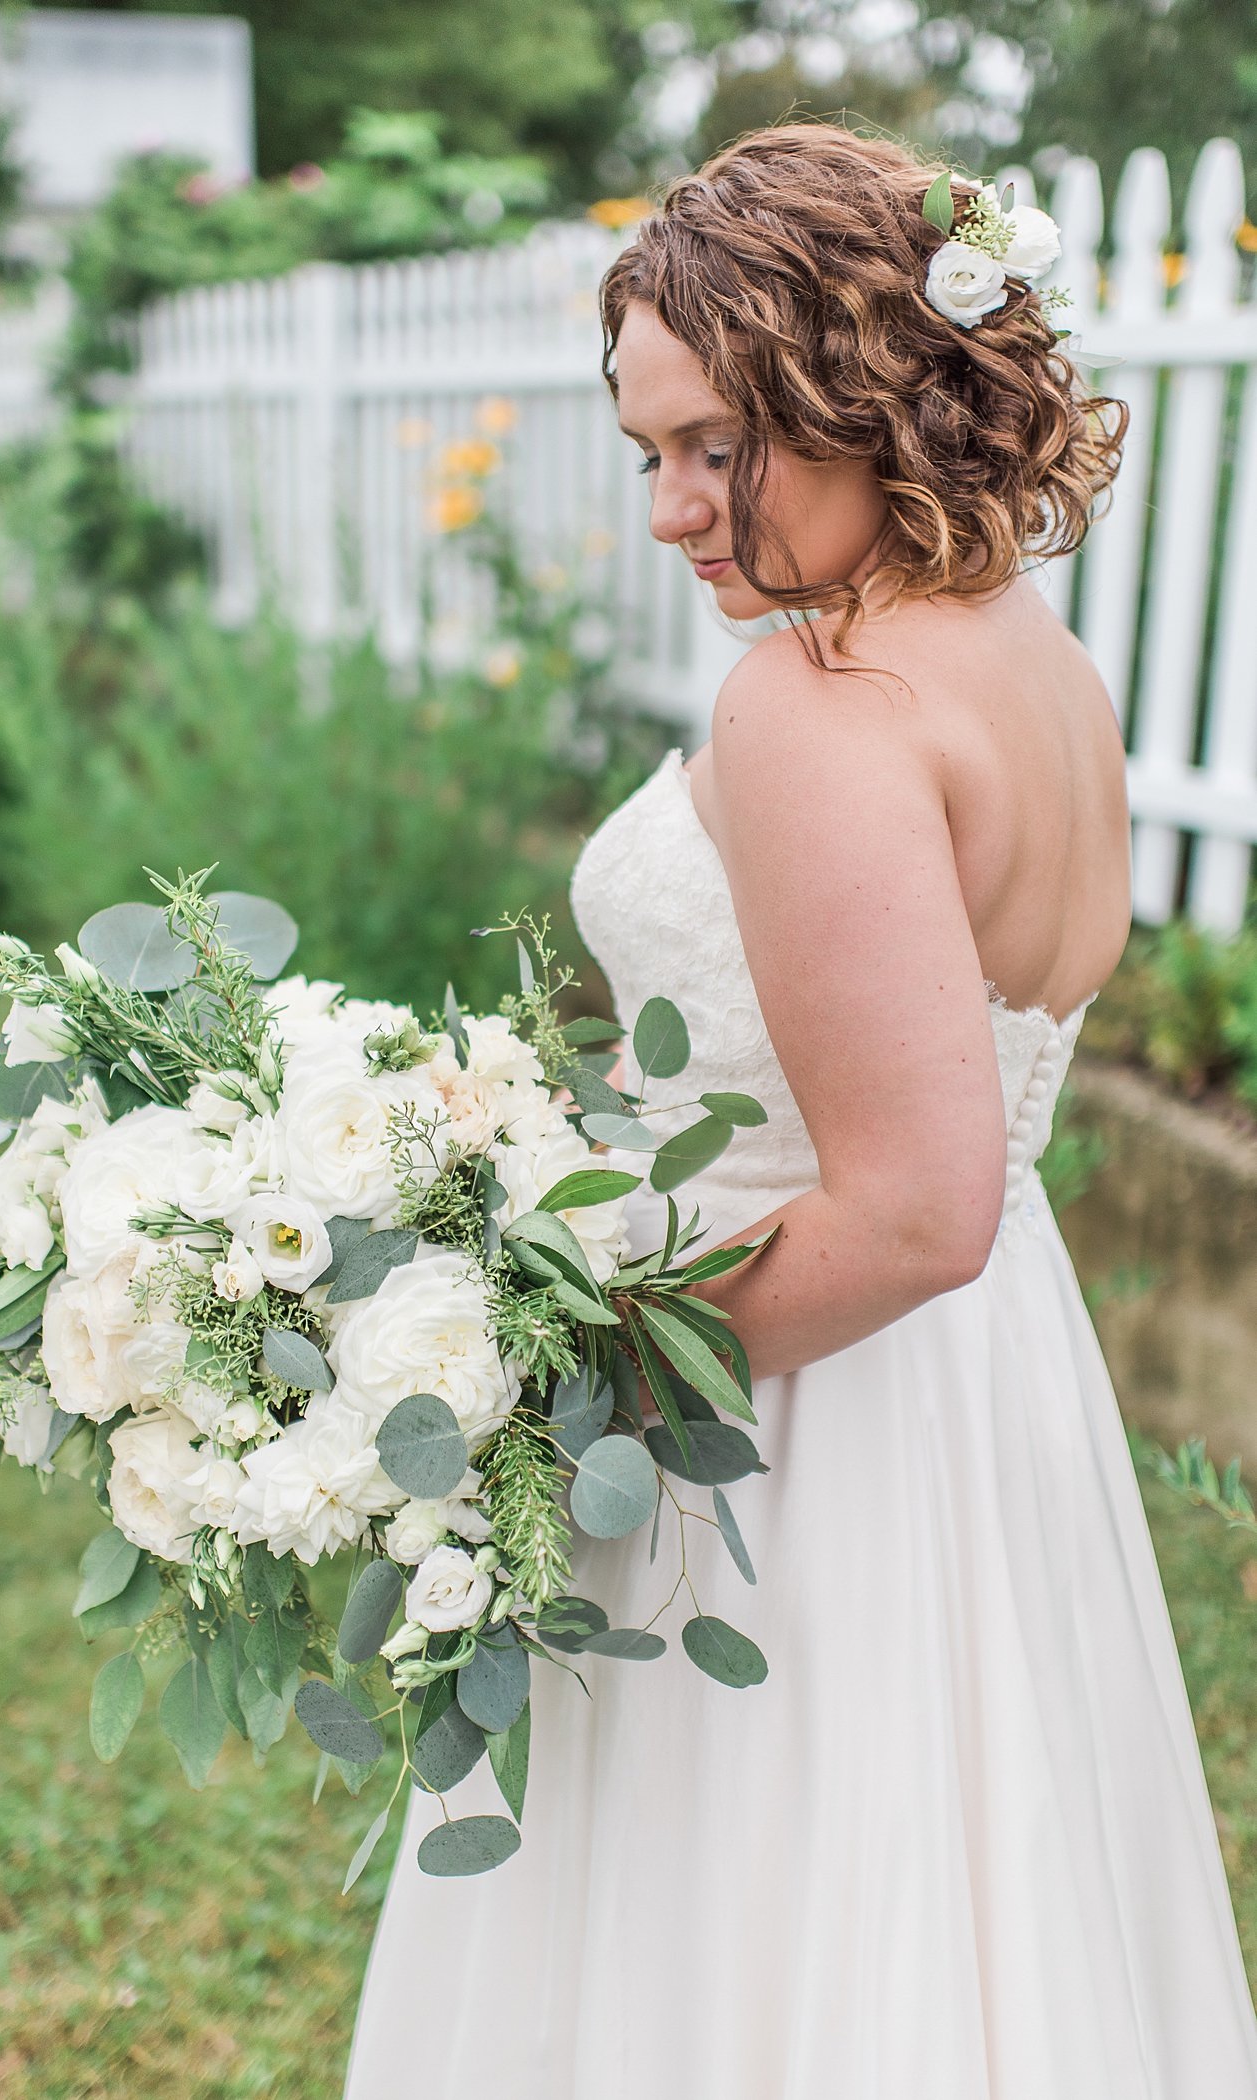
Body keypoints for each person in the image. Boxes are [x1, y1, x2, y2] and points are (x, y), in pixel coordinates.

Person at [345, 127, 1257, 2096]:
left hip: (781, 1401)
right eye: (641, 453)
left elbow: (907, 1205)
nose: (671, 508)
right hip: (983, 1382)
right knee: (959, 1898)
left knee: (745, 1927)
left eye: (713, 445)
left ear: (861, 396)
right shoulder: (1035, 662)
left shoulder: (820, 706)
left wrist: (556, 1367)